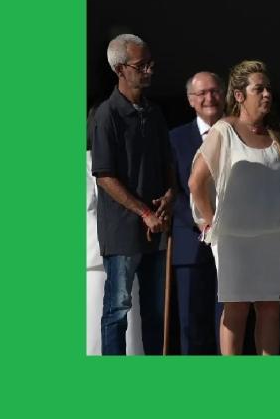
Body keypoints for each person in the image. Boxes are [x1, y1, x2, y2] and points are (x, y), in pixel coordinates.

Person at [188, 60, 280, 355]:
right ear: (238, 95)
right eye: (258, 89)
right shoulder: (224, 130)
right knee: (236, 309)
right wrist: (210, 225)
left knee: (270, 309)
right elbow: (196, 182)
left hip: (274, 239)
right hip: (234, 241)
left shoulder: (277, 134)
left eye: (268, 89)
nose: (266, 95)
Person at [91, 33, 175, 355]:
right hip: (124, 230)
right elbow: (105, 176)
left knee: (155, 311)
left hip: (156, 228)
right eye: (142, 65)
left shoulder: (154, 113)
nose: (150, 70)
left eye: (151, 64)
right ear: (120, 69)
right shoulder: (107, 115)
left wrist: (170, 195)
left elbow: (168, 162)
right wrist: (145, 213)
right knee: (117, 310)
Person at [168, 72, 225, 355]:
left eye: (214, 91)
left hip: (232, 244)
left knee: (228, 324)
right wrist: (202, 219)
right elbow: (171, 191)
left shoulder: (239, 132)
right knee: (192, 325)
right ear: (191, 100)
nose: (209, 98)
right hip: (191, 245)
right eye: (201, 93)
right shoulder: (175, 139)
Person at [87, 106, 144, 355]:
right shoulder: (83, 162)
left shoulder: (126, 162)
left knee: (131, 328)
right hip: (96, 258)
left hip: (127, 250)